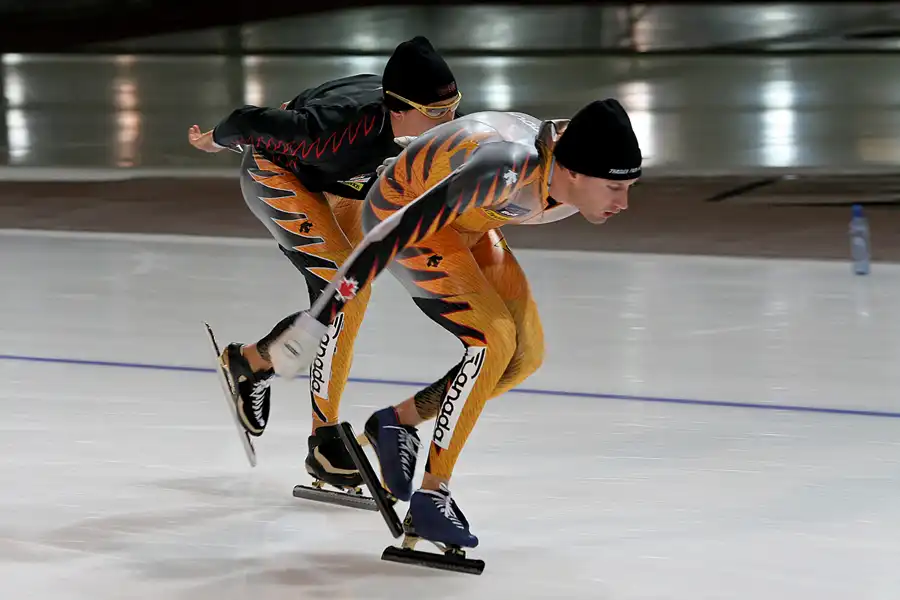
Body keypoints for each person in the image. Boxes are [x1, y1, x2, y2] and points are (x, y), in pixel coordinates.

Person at [264, 99, 642, 555]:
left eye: (629, 187)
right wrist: (318, 319)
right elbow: (388, 235)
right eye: (614, 187)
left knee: (525, 357)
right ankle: (432, 497)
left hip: (470, 222)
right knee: (493, 339)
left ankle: (396, 423)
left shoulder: (568, 166)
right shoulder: (506, 168)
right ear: (574, 173)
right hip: (402, 215)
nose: (624, 203)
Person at [187, 36, 463, 493]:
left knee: (344, 297)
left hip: (341, 182)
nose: (449, 121)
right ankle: (325, 441)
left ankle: (252, 362)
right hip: (279, 172)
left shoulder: (421, 127)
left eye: (453, 107)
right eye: (436, 113)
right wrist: (213, 140)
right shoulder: (339, 128)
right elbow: (246, 121)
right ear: (397, 110)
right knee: (347, 291)